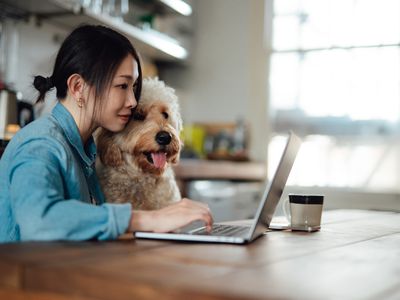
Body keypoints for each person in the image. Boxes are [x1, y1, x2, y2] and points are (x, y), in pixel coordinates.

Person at [0, 25, 213, 243]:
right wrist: (146, 220)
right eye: (122, 85)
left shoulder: (83, 150)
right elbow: (39, 221)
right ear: (77, 87)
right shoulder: (41, 144)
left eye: (133, 87)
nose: (132, 101)